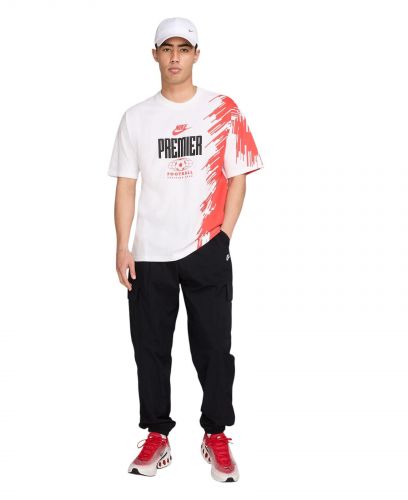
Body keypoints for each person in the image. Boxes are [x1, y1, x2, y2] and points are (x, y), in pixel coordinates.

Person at [108, 17, 264, 482]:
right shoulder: (136, 118)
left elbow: (239, 177)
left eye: (183, 48)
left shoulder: (223, 109)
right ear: (154, 55)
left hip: (205, 247)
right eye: (167, 48)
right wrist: (122, 247)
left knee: (215, 347)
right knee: (150, 349)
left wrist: (224, 237)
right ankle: (157, 435)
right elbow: (126, 186)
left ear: (197, 55)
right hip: (149, 253)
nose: (175, 57)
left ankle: (216, 434)